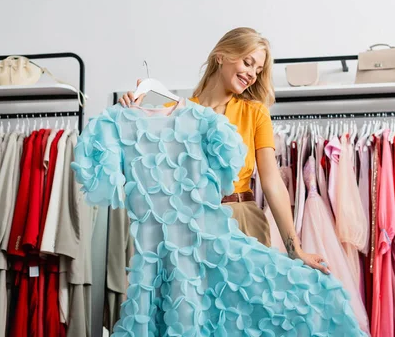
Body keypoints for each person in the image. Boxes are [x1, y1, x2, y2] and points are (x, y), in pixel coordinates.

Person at [119, 27, 330, 274]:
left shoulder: (255, 113)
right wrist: (131, 113)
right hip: (189, 227)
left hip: (243, 222)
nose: (252, 74)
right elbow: (146, 173)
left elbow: (272, 182)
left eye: (258, 70)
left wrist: (295, 249)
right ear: (221, 56)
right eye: (247, 63)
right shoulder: (173, 111)